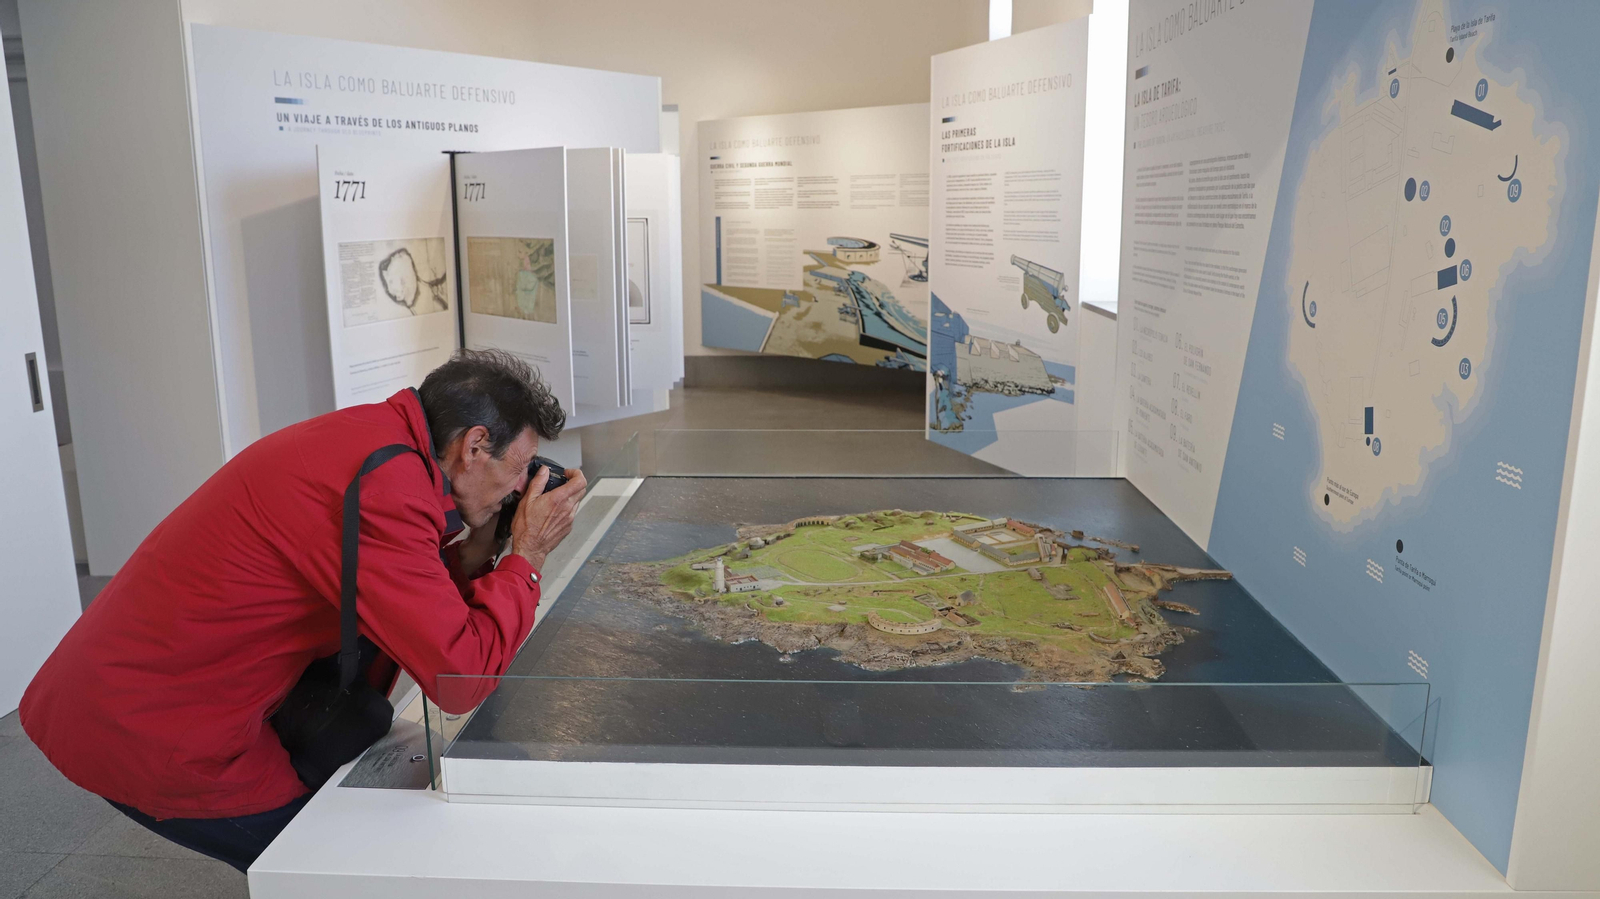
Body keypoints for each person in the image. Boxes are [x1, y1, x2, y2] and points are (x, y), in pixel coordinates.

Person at [20, 349, 585, 872]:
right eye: (521, 466)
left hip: (153, 684)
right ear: (475, 445)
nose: (521, 485)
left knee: (363, 781)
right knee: (336, 869)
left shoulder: (380, 439)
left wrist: (482, 547)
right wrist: (527, 558)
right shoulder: (387, 486)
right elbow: (459, 676)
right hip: (152, 724)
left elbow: (413, 602)